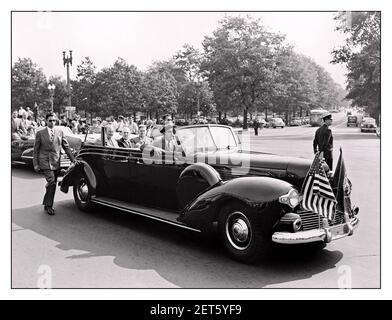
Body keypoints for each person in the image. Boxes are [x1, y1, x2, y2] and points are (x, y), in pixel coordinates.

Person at [33, 112, 76, 215]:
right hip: (45, 162)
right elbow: (36, 150)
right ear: (46, 121)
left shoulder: (60, 132)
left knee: (52, 184)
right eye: (50, 121)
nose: (52, 122)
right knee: (52, 182)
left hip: (56, 162)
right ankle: (49, 206)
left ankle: (47, 202)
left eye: (54, 120)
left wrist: (73, 159)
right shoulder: (40, 133)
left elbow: (66, 146)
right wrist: (36, 164)